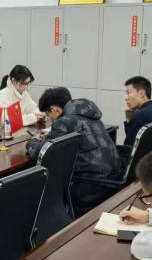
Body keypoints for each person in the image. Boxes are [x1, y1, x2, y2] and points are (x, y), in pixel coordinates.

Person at [26, 87, 121, 215]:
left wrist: (32, 142)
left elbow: (41, 152)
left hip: (92, 186)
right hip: (114, 177)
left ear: (54, 109)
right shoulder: (87, 112)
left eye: (48, 115)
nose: (51, 120)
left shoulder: (64, 122)